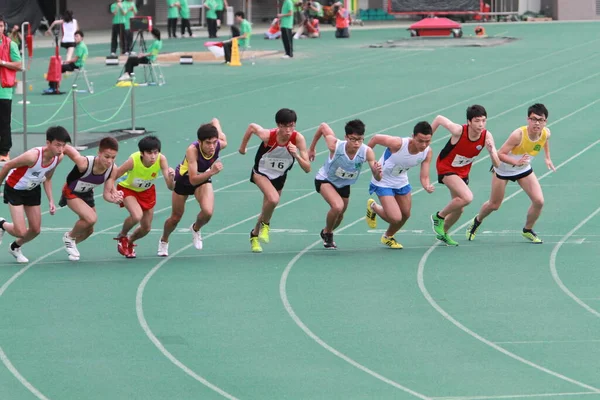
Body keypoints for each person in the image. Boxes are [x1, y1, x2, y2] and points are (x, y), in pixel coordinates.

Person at [466, 103, 555, 244]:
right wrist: (516, 162)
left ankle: (527, 230)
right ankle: (477, 221)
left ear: (545, 121)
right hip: (503, 170)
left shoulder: (545, 132)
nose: (537, 123)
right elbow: (500, 154)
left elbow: (545, 140)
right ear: (528, 119)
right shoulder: (518, 135)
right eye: (534, 119)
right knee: (494, 205)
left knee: (539, 201)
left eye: (541, 120)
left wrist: (547, 157)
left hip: (523, 169)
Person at [238, 108, 311, 253]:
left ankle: (254, 234)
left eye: (292, 126)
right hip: (261, 173)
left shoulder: (298, 139)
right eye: (286, 126)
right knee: (273, 199)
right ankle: (266, 225)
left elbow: (307, 168)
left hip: (279, 176)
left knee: (267, 207)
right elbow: (252, 127)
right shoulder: (268, 136)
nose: (289, 130)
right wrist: (242, 148)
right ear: (279, 125)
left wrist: (295, 155)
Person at [430, 105, 500, 246]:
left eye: (484, 120)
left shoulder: (487, 136)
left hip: (462, 171)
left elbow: (497, 164)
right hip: (446, 167)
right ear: (469, 121)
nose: (481, 124)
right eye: (477, 121)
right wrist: (427, 140)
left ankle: (442, 232)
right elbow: (438, 119)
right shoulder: (458, 130)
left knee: (459, 208)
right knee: (467, 197)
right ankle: (438, 217)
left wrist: (492, 152)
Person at [0, 126, 71, 263]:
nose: (60, 149)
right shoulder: (32, 156)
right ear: (48, 143)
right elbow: (8, 166)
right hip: (15, 188)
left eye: (63, 146)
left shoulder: (58, 158)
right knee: (20, 231)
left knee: (35, 230)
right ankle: (1, 224)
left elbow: (48, 178)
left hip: (33, 190)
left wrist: (51, 200)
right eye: (57, 145)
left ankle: (15, 247)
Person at [308, 120, 382, 249]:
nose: (357, 143)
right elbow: (323, 126)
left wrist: (377, 172)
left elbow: (377, 177)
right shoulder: (335, 146)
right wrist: (312, 148)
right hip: (326, 179)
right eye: (353, 139)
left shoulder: (367, 152)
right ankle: (329, 234)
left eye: (360, 139)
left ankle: (326, 231)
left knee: (340, 215)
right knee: (337, 207)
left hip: (344, 185)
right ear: (346, 137)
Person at [158, 119, 227, 256]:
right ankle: (164, 240)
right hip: (185, 179)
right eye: (208, 143)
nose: (212, 146)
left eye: (214, 142)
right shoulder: (192, 150)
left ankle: (196, 228)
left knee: (207, 212)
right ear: (200, 142)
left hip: (204, 179)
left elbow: (221, 135)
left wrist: (216, 123)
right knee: (175, 217)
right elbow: (193, 179)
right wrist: (212, 172)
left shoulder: (219, 144)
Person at [365, 121, 435, 249]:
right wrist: (366, 157)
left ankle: (387, 237)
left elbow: (424, 175)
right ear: (412, 136)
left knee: (406, 215)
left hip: (401, 181)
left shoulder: (427, 152)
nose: (424, 145)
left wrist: (426, 185)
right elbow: (375, 139)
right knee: (396, 218)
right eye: (420, 141)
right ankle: (373, 206)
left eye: (427, 141)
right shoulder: (398, 144)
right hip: (383, 181)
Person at [59, 137, 123, 261]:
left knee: (89, 230)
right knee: (91, 218)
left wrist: (114, 199)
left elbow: (106, 194)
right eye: (106, 156)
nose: (110, 161)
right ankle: (69, 237)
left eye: (113, 157)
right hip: (71, 191)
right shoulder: (84, 163)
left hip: (87, 193)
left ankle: (71, 245)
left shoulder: (112, 169)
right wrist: (55, 158)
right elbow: (66, 148)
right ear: (99, 153)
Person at [116, 135, 175, 258]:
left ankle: (130, 241)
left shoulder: (161, 159)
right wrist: (111, 192)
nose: (153, 156)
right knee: (137, 215)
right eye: (149, 153)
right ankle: (122, 236)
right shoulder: (133, 160)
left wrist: (172, 178)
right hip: (128, 189)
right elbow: (114, 175)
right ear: (142, 153)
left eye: (155, 152)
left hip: (146, 191)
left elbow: (170, 187)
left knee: (146, 228)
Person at [0, 15, 22, 162]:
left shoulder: (10, 44)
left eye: (0, 26)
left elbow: (18, 65)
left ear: (4, 27)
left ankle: (4, 151)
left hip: (4, 91)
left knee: (4, 123)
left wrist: (2, 62)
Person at [44, 30, 88, 94]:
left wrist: (66, 62)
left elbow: (75, 59)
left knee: (57, 68)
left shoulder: (81, 46)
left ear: (82, 38)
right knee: (59, 68)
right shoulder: (81, 45)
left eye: (77, 36)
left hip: (76, 65)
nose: (75, 38)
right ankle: (55, 87)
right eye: (75, 36)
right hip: (77, 64)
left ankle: (53, 88)